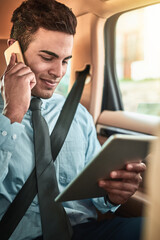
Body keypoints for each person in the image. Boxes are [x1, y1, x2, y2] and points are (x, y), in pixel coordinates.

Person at [0, 0, 146, 239]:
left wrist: (112, 195)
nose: (59, 72)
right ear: (14, 51)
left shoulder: (77, 115)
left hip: (81, 231)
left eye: (66, 60)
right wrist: (12, 114)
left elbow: (97, 198)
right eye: (48, 57)